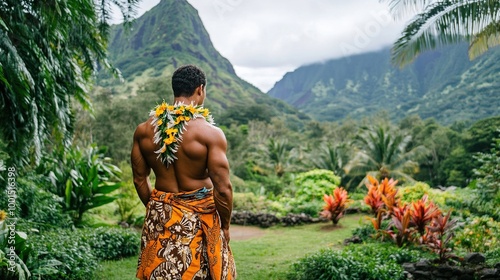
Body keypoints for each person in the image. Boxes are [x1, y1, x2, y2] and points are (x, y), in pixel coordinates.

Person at [131, 65, 236, 279]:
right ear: (200, 89)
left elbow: (139, 179)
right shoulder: (210, 134)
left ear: (175, 90)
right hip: (199, 219)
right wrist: (225, 226)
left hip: (161, 214)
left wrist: (161, 208)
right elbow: (223, 189)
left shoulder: (143, 130)